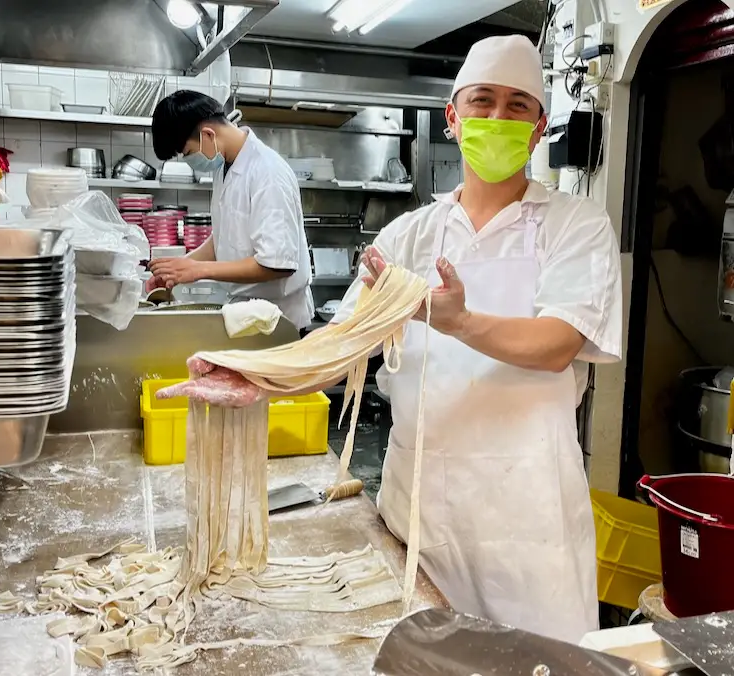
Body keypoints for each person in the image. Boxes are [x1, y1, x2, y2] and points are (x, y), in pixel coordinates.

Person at [159, 35, 623, 644]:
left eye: (517, 106)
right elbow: (345, 342)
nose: (497, 118)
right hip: (419, 512)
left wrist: (456, 320)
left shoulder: (575, 224)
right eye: (481, 101)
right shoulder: (412, 234)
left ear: (539, 129)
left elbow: (558, 342)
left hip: (525, 522)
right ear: (453, 118)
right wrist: (259, 378)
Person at [146, 90, 314, 331]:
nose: (190, 160)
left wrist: (198, 270)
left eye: (188, 153)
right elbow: (224, 237)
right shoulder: (223, 167)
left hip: (277, 320)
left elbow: (278, 263)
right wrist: (178, 268)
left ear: (208, 134)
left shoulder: (268, 172)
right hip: (246, 313)